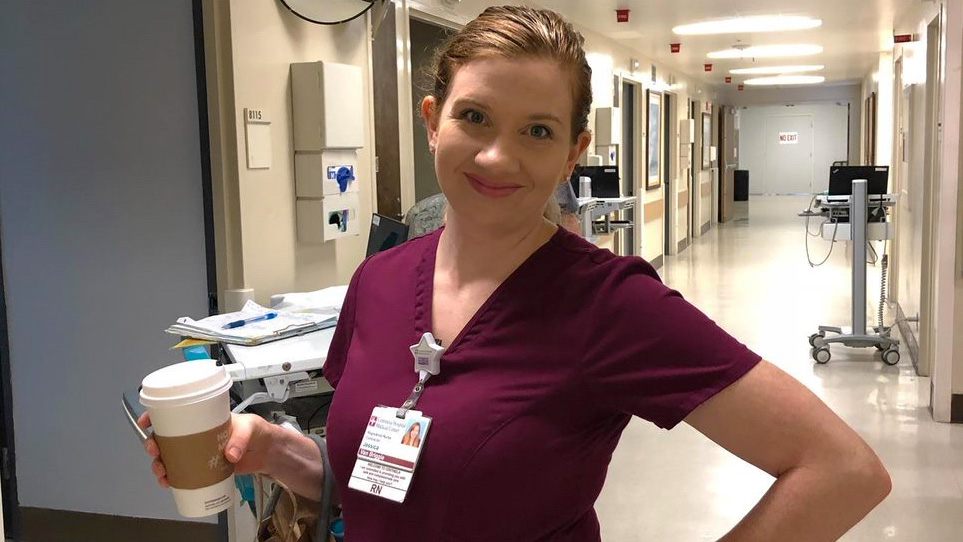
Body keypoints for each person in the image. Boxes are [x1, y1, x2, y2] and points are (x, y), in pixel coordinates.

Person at [142, 6, 890, 541]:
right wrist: (275, 452)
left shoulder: (608, 305)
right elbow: (376, 484)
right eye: (474, 118)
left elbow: (841, 471)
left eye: (536, 131)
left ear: (573, 151)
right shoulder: (378, 283)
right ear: (432, 119)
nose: (498, 157)